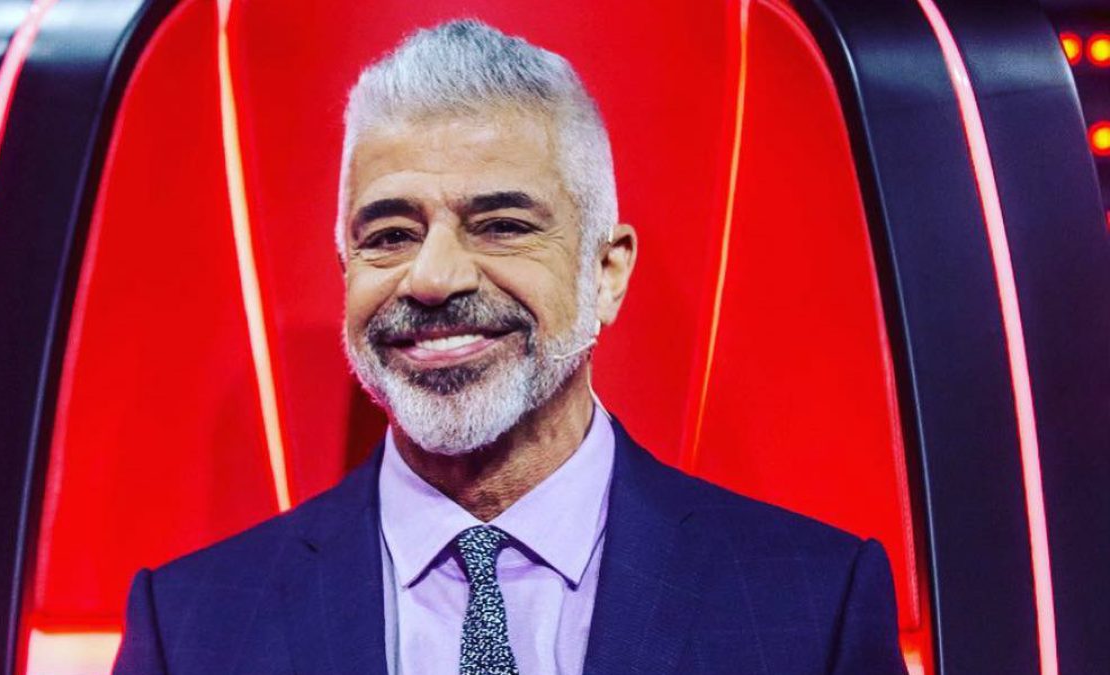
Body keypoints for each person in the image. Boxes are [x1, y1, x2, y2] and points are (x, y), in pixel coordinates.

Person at [113, 19, 907, 675]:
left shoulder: (815, 608)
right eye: (390, 234)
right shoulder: (189, 628)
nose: (433, 278)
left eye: (501, 225)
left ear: (605, 271)